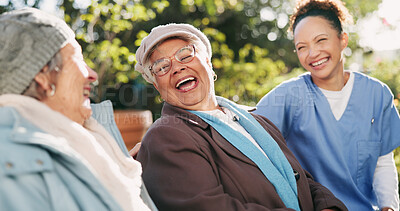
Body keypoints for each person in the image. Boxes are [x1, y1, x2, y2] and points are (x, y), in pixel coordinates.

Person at [134, 23, 347, 210]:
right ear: (157, 86)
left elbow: (301, 180)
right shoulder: (165, 136)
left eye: (185, 55)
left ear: (208, 61)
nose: (178, 67)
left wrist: (329, 207)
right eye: (162, 67)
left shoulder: (256, 120)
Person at [0, 8, 156, 211]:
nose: (92, 75)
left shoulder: (92, 140)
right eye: (78, 58)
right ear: (43, 76)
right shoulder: (13, 165)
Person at [253, 0, 400, 210]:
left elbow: (382, 163)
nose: (312, 53)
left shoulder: (377, 95)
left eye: (321, 40)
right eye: (302, 47)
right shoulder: (287, 97)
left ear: (342, 40)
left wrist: (389, 207)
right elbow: (247, 135)